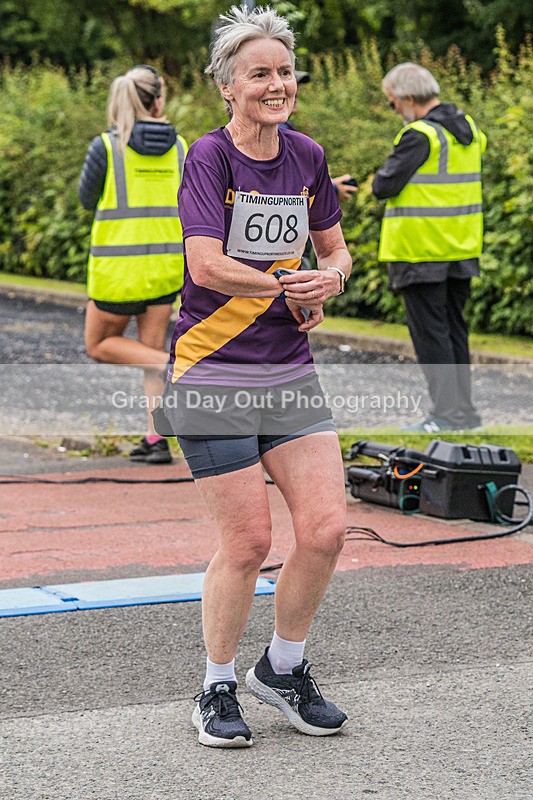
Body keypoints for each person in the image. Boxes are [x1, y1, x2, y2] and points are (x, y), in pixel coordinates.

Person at [160, 5, 351, 748]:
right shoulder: (209, 157)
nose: (277, 85)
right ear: (227, 87)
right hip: (211, 370)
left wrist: (330, 280)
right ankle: (215, 685)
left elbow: (335, 250)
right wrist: (287, 285)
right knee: (246, 543)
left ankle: (282, 669)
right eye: (259, 74)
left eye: (285, 71)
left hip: (288, 371)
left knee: (327, 530)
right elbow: (205, 265)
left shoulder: (307, 156)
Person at [79, 65, 188, 463]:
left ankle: (182, 369)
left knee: (99, 345)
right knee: (148, 352)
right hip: (165, 268)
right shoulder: (181, 148)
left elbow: (87, 200)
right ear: (158, 101)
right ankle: (156, 440)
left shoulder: (106, 148)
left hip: (118, 273)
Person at [372, 62, 486, 432]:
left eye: (392, 103)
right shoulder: (469, 130)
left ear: (407, 98)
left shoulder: (419, 135)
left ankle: (446, 416)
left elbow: (383, 186)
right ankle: (464, 414)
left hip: (419, 251)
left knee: (432, 336)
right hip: (460, 248)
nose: (393, 110)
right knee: (454, 331)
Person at [280, 70, 358, 204]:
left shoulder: (284, 128)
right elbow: (290, 182)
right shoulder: (277, 130)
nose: (296, 92)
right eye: (287, 86)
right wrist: (332, 189)